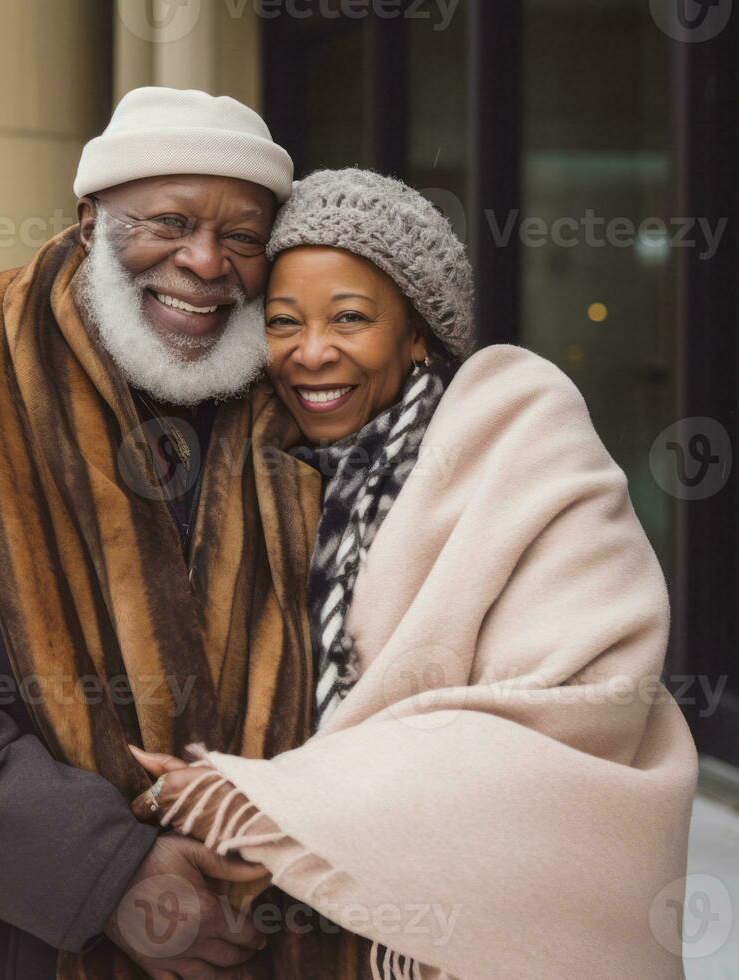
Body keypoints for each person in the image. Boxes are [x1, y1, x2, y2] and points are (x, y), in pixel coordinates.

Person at [0, 87, 334, 979]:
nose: (205, 262)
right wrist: (110, 873)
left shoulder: (304, 429)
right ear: (91, 223)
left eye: (243, 236)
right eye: (167, 222)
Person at [131, 169, 700, 980]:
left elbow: (577, 706)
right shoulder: (255, 475)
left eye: (351, 319)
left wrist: (271, 798)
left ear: (418, 336)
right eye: (284, 322)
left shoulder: (520, 443)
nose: (312, 351)